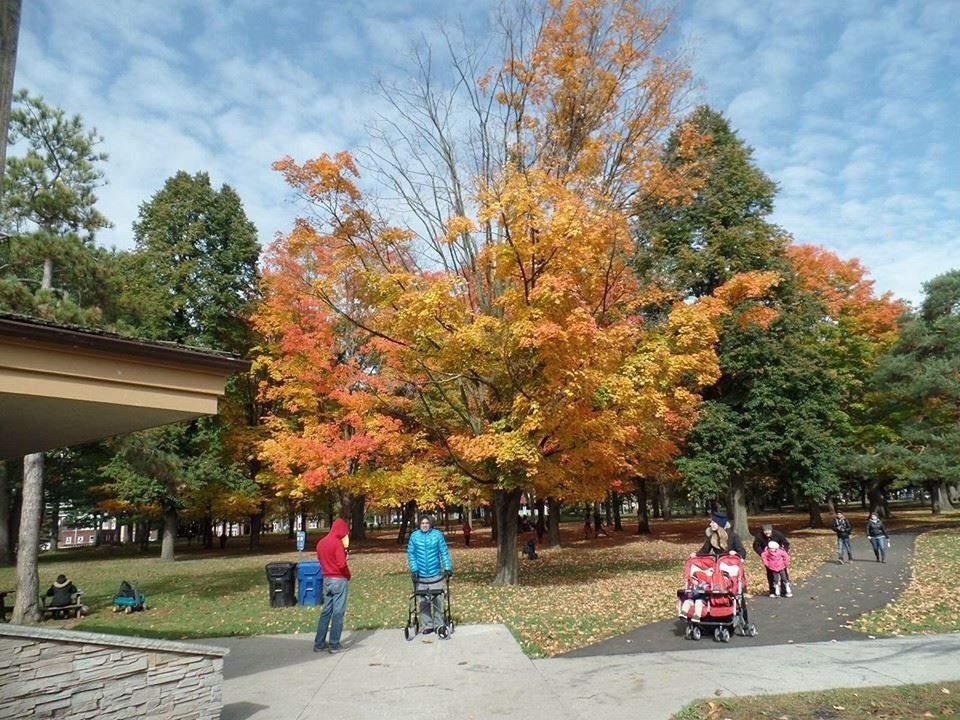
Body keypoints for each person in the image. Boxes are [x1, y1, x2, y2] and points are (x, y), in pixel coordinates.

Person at [406, 514, 452, 634]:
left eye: (427, 523)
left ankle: (439, 625)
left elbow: (444, 552)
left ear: (430, 524)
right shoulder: (414, 536)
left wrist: (447, 567)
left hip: (435, 574)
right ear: (419, 524)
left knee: (437, 600)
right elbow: (411, 554)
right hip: (420, 575)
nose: (424, 525)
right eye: (422, 523)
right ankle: (427, 625)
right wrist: (414, 569)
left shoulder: (437, 535)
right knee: (423, 601)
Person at [313, 518, 351, 653]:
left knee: (326, 611)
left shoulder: (321, 542)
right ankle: (334, 644)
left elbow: (320, 559)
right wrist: (348, 574)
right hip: (339, 579)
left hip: (326, 579)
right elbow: (341, 564)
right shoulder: (337, 543)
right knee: (338, 612)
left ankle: (319, 643)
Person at [752, 523, 791, 596]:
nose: (767, 532)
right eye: (765, 531)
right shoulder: (759, 536)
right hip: (769, 558)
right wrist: (762, 553)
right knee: (771, 575)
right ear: (763, 531)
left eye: (769, 530)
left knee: (783, 574)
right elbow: (756, 546)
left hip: (779, 558)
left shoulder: (777, 534)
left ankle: (785, 590)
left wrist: (783, 552)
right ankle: (773, 591)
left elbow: (786, 543)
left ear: (771, 530)